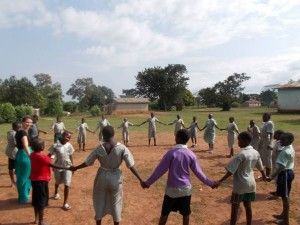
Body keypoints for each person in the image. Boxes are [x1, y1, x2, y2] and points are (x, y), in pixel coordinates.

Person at [70, 126, 143, 225]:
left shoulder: (100, 148)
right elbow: (131, 165)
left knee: (99, 200)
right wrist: (140, 179)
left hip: (102, 177)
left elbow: (87, 162)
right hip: (115, 178)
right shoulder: (122, 148)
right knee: (116, 202)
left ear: (103, 136)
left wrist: (75, 168)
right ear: (113, 134)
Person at [141, 129, 217, 225]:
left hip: (172, 190)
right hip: (186, 189)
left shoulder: (171, 153)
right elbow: (199, 173)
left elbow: (159, 171)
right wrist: (211, 183)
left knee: (164, 214)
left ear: (178, 138)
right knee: (186, 214)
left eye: (176, 136)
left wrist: (147, 183)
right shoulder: (191, 154)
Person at [217, 131, 266, 225]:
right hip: (251, 184)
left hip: (240, 186)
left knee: (235, 207)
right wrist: (264, 176)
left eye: (239, 140)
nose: (238, 142)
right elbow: (260, 167)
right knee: (248, 206)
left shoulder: (241, 155)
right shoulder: (255, 152)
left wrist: (220, 181)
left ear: (245, 140)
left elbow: (231, 171)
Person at [30, 138, 69, 225]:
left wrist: (50, 155)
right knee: (41, 202)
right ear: (41, 147)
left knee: (36, 200)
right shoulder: (42, 156)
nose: (44, 145)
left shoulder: (32, 154)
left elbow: (47, 159)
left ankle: (36, 219)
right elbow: (52, 164)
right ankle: (41, 221)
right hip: (42, 181)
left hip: (34, 180)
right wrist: (67, 168)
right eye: (43, 144)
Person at [267, 132, 295, 225]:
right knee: (284, 196)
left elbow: (280, 168)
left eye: (283, 139)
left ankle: (285, 221)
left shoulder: (285, 151)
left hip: (285, 174)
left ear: (289, 141)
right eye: (281, 139)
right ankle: (283, 215)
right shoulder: (289, 147)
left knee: (285, 197)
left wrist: (271, 177)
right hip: (288, 172)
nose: (280, 140)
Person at [48, 132, 74, 210]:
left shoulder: (69, 145)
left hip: (68, 166)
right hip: (58, 166)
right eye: (67, 137)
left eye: (69, 138)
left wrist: (72, 166)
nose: (68, 139)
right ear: (62, 136)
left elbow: (70, 156)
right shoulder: (55, 145)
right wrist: (48, 163)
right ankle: (56, 193)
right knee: (58, 181)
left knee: (67, 183)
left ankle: (65, 203)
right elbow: (49, 155)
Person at [15, 115, 33, 204]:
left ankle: (23, 195)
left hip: (20, 155)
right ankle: (24, 198)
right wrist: (31, 156)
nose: (29, 124)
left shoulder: (19, 131)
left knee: (21, 176)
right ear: (22, 122)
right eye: (27, 122)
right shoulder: (23, 133)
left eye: (30, 122)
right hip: (25, 155)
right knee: (25, 177)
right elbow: (25, 145)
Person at [267, 130, 284, 200]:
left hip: (278, 164)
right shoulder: (277, 142)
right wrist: (271, 148)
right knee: (276, 180)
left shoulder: (281, 143)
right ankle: (277, 192)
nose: (274, 135)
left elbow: (280, 151)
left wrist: (271, 148)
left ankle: (278, 195)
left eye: (276, 134)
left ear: (280, 135)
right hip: (275, 163)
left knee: (278, 180)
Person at [258, 113, 274, 177]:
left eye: (264, 117)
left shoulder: (270, 123)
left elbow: (271, 134)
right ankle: (264, 175)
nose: (263, 118)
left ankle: (268, 175)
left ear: (268, 117)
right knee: (263, 157)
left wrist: (270, 143)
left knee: (267, 158)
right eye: (263, 116)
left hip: (267, 142)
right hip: (262, 141)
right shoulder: (264, 123)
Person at [5, 122, 21, 186]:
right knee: (16, 167)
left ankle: (12, 181)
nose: (20, 128)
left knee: (11, 167)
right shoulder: (14, 134)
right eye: (19, 127)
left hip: (10, 151)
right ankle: (15, 181)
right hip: (14, 152)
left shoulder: (9, 132)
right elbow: (16, 144)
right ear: (15, 127)